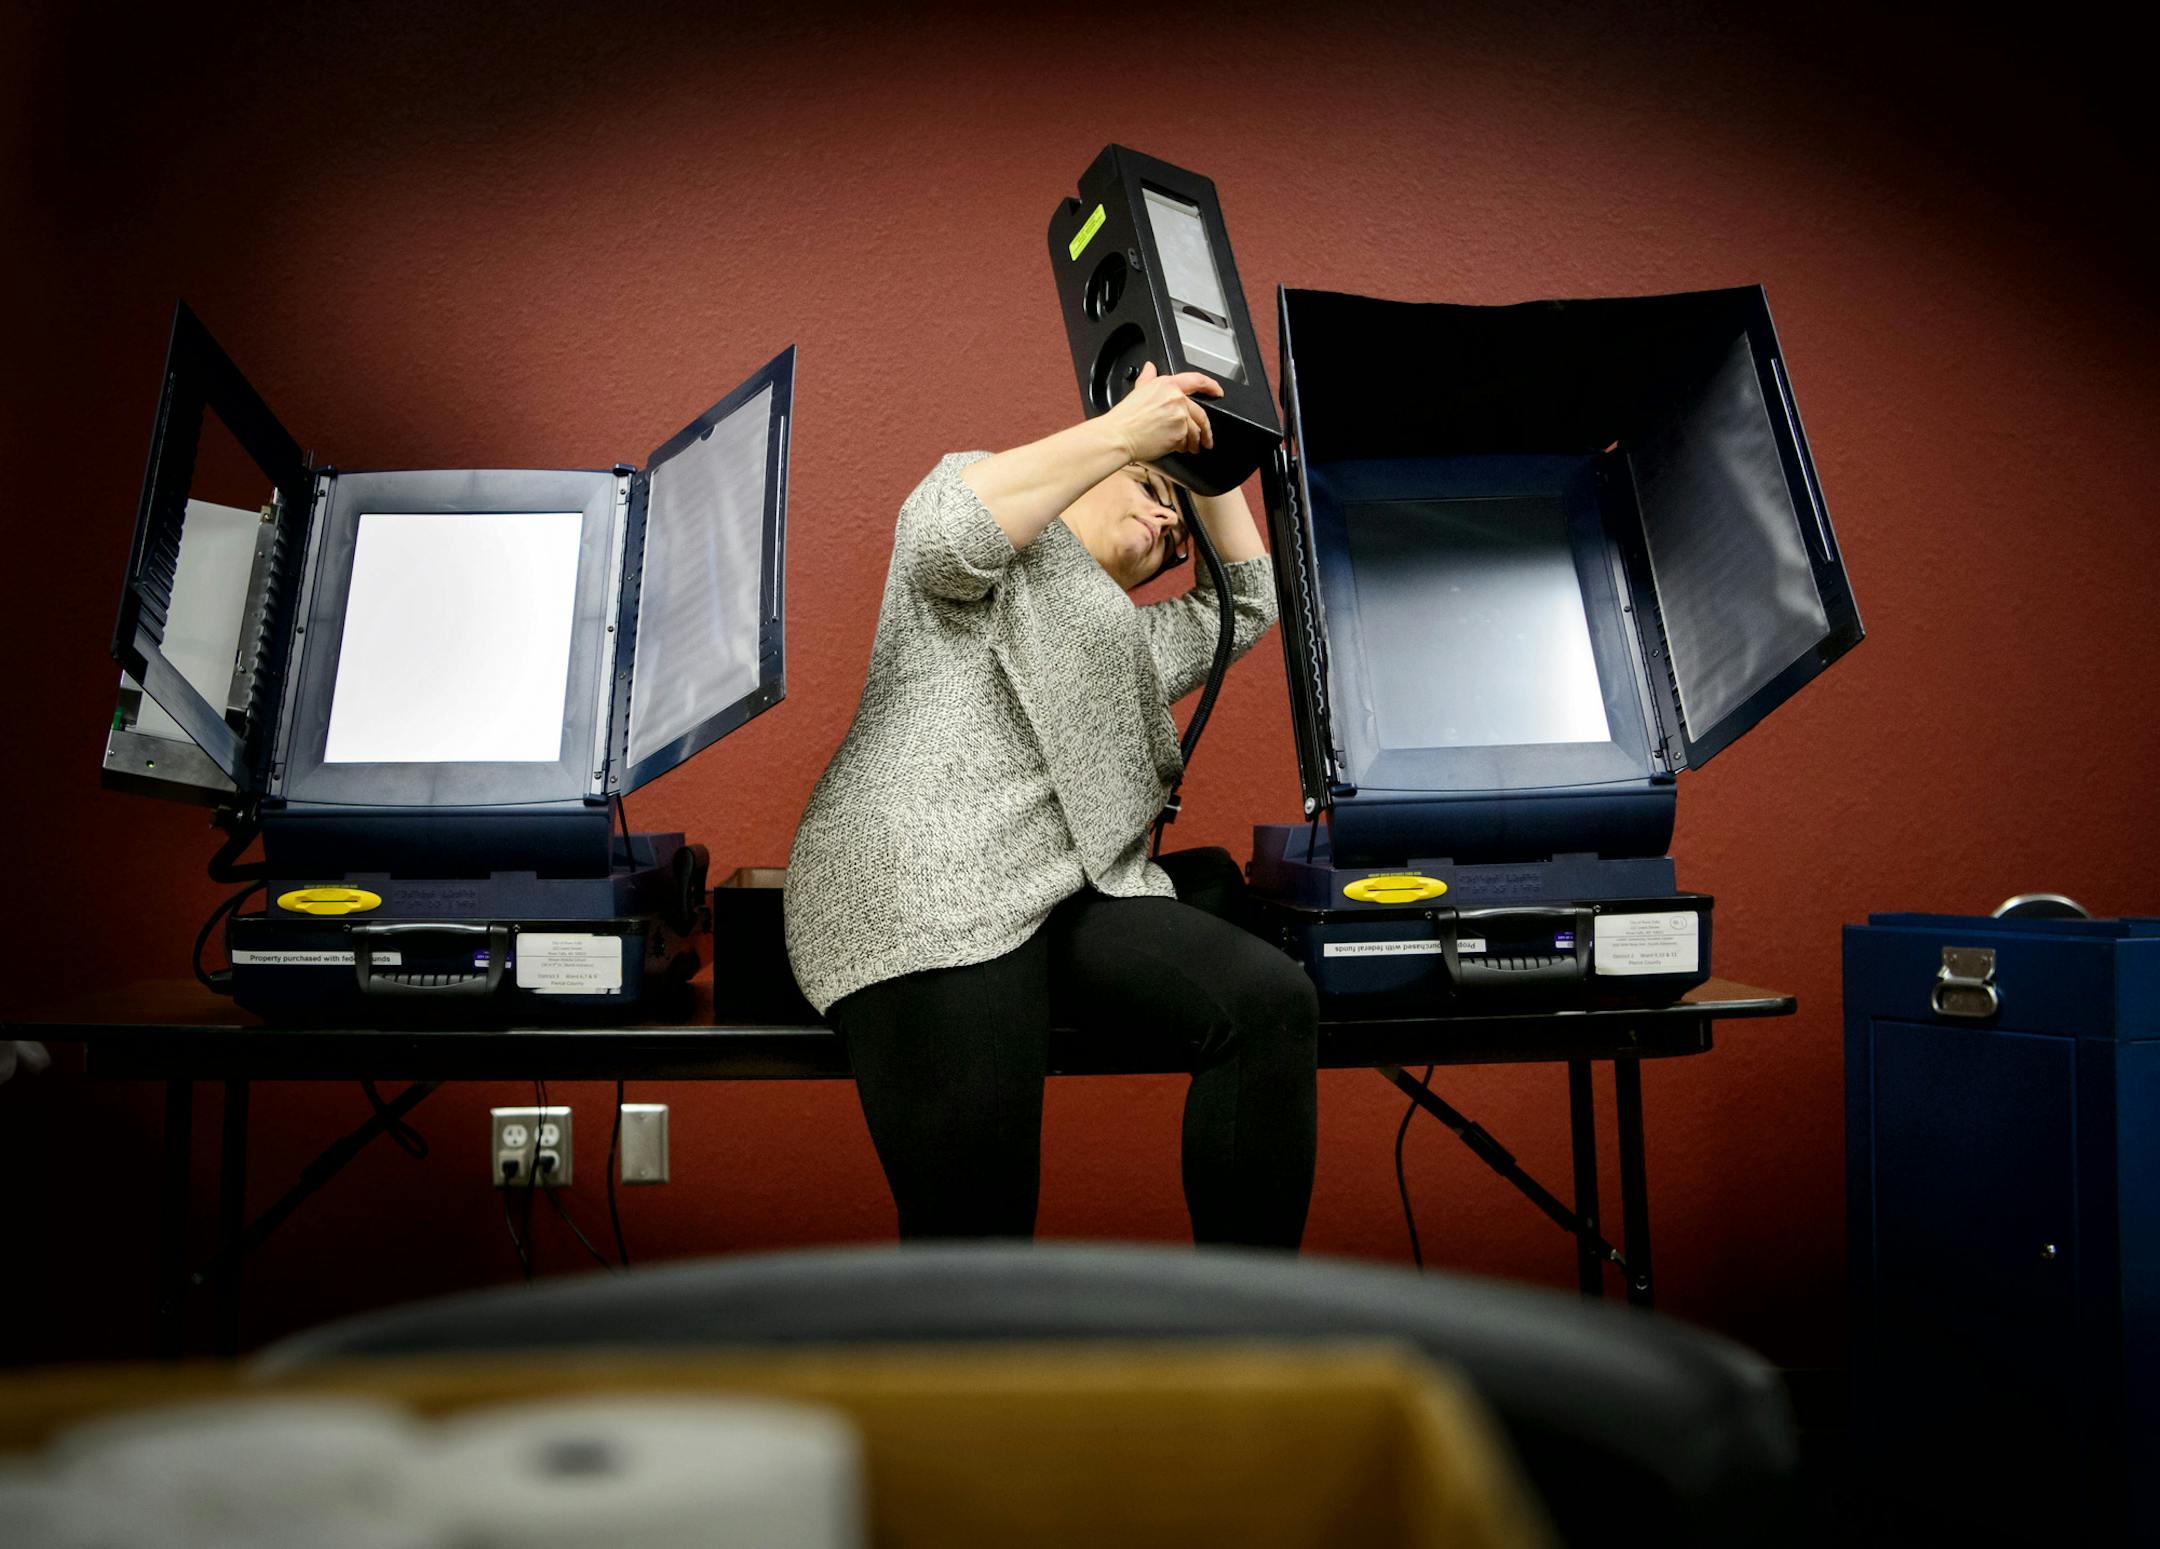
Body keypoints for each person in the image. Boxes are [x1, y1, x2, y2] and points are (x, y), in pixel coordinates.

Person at [783, 364, 1318, 1248]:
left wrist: (1205, 462)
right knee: (978, 1237)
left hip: (1057, 895)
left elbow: (1250, 603)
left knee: (1269, 1003)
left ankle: (1244, 1352)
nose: (1165, 526)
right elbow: (939, 528)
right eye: (1152, 495)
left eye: (1176, 535)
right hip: (927, 893)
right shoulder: (989, 541)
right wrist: (1128, 432)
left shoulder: (1129, 644)